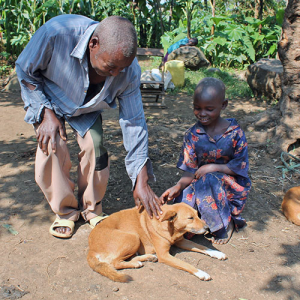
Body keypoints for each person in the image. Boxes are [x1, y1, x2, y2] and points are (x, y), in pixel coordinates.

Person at [15, 14, 162, 239]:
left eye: (121, 69)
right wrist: (45, 113)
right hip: (49, 98)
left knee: (96, 145)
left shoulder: (128, 71)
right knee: (52, 144)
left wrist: (140, 179)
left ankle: (92, 208)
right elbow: (25, 69)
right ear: (93, 44)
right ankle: (65, 211)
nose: (116, 74)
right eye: (111, 66)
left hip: (87, 108)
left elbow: (134, 122)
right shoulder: (56, 33)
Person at [160, 77, 251, 245]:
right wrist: (178, 186)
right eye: (197, 108)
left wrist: (213, 167)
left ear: (223, 105)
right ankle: (203, 221)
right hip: (200, 183)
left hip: (229, 185)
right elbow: (189, 170)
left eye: (209, 109)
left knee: (209, 179)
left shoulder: (235, 133)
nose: (202, 113)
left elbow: (241, 167)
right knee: (181, 205)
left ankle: (224, 224)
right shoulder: (192, 135)